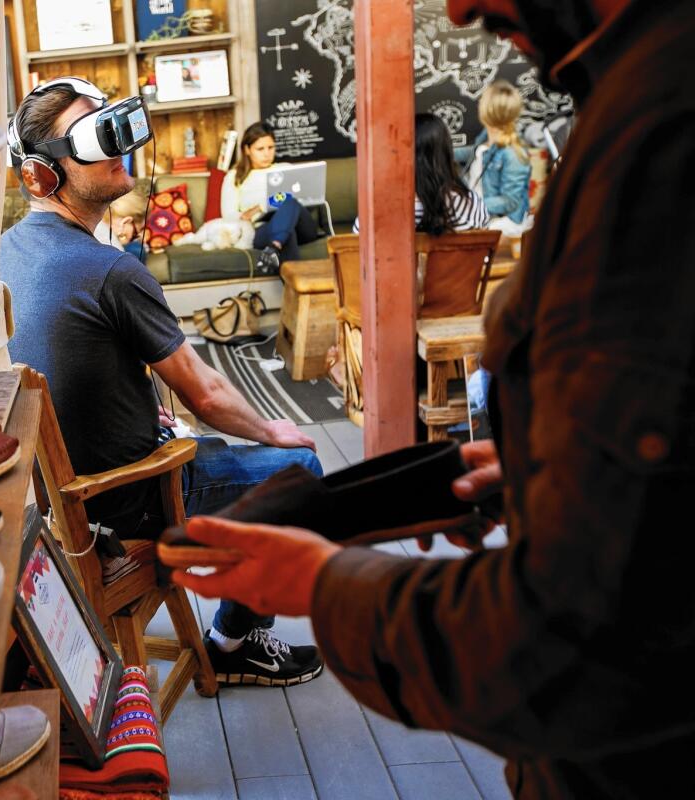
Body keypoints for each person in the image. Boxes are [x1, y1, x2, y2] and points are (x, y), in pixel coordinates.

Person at [172, 0, 695, 796]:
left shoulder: (659, 132)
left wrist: (322, 588)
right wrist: (546, 469)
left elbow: (578, 640)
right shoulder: (636, 93)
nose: (456, 8)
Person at [2, 78, 327, 688]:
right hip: (129, 499)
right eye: (97, 140)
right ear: (44, 175)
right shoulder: (109, 271)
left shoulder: (3, 253)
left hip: (51, 506)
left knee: (218, 448)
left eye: (114, 130)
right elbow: (206, 394)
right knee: (299, 473)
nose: (119, 147)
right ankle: (233, 642)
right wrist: (276, 430)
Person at [353, 113, 490, 234]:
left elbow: (357, 251)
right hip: (461, 264)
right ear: (447, 153)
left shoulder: (378, 213)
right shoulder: (473, 205)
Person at [220, 122, 321, 273]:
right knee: (287, 234)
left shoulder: (286, 169)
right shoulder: (234, 177)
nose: (267, 154)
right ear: (247, 150)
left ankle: (273, 248)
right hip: (261, 229)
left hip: (301, 226)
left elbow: (307, 201)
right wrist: (248, 216)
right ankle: (276, 247)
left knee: (289, 201)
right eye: (260, 149)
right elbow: (228, 215)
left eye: (271, 148)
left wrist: (261, 207)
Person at [455, 79, 533, 237]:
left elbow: (511, 201)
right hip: (479, 214)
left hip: (501, 223)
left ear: (487, 111)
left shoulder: (513, 154)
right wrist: (439, 150)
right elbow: (476, 153)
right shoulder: (485, 139)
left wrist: (471, 206)